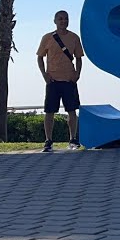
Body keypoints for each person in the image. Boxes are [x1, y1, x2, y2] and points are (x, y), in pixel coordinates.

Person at [36, 10, 84, 152]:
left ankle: (73, 139)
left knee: (72, 111)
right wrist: (44, 75)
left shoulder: (74, 38)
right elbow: (40, 57)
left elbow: (79, 58)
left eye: (66, 19)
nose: (63, 21)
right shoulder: (47, 38)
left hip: (69, 80)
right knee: (49, 112)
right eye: (60, 19)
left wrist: (77, 74)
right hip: (53, 81)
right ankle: (48, 141)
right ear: (55, 21)